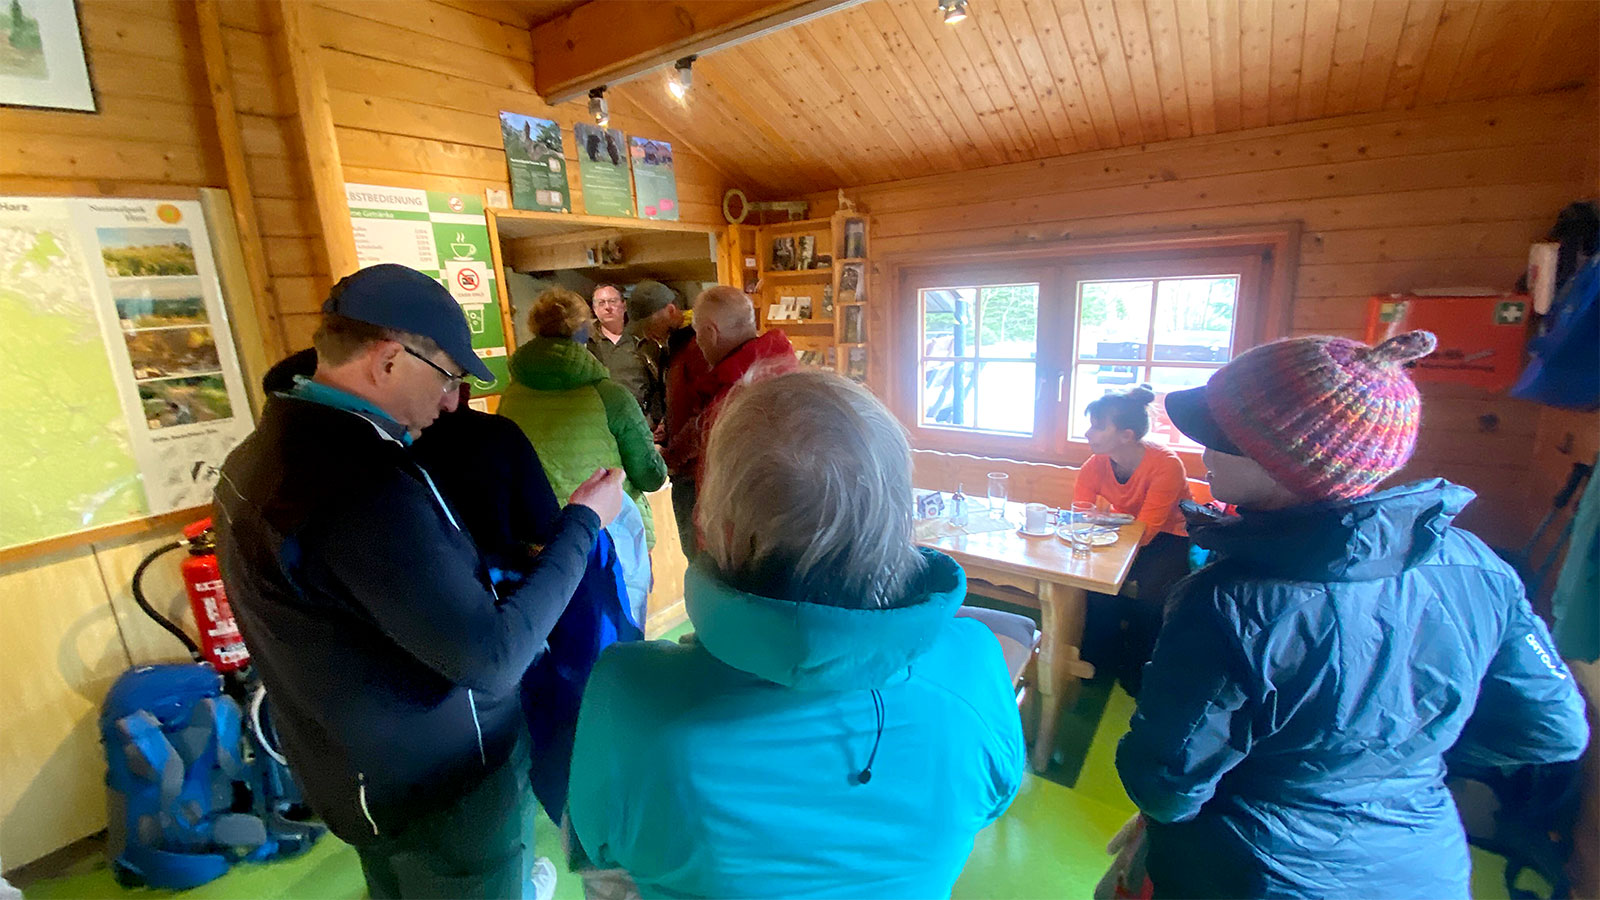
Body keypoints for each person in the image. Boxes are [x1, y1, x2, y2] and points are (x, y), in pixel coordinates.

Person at [1115, 331, 1590, 899]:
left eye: (1221, 440)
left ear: (1286, 464)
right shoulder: (1479, 565)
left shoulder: (1226, 601)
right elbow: (1552, 728)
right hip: (1422, 867)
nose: (1203, 452)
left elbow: (1165, 785)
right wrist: (1401, 751)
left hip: (1252, 871)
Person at [213, 264, 626, 900]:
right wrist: (584, 523)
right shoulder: (361, 487)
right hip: (442, 786)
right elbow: (493, 657)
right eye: (446, 378)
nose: (450, 402)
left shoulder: (263, 452)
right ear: (387, 360)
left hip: (350, 771)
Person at [568, 370, 1027, 899]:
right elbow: (993, 798)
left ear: (717, 529)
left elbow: (598, 848)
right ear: (901, 518)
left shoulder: (628, 692)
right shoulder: (974, 664)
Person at [498, 287, 666, 559]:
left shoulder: (510, 396)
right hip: (609, 538)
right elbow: (650, 476)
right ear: (584, 330)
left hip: (539, 542)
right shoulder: (609, 396)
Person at [1073, 384, 1193, 696]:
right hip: (1121, 531)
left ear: (1126, 435)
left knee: (1152, 598)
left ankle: (1138, 671)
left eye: (1098, 426)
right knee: (1097, 587)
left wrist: (1105, 527)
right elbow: (1081, 511)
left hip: (1169, 535)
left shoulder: (1166, 465)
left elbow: (1149, 529)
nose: (1088, 433)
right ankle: (1096, 664)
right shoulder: (1096, 463)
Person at [661, 285, 797, 551]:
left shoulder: (730, 401)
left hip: (743, 541)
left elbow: (720, 494)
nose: (698, 344)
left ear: (710, 333)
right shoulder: (786, 371)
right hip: (788, 527)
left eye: (699, 335)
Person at [624, 279, 689, 433]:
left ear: (671, 310)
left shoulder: (696, 341)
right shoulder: (671, 345)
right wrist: (666, 424)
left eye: (649, 326)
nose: (647, 335)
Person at [584, 284, 652, 424]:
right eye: (601, 303)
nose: (607, 307)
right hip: (601, 422)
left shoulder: (642, 339)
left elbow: (657, 384)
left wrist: (656, 418)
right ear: (594, 309)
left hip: (640, 421)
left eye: (612, 301)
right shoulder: (586, 344)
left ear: (624, 305)